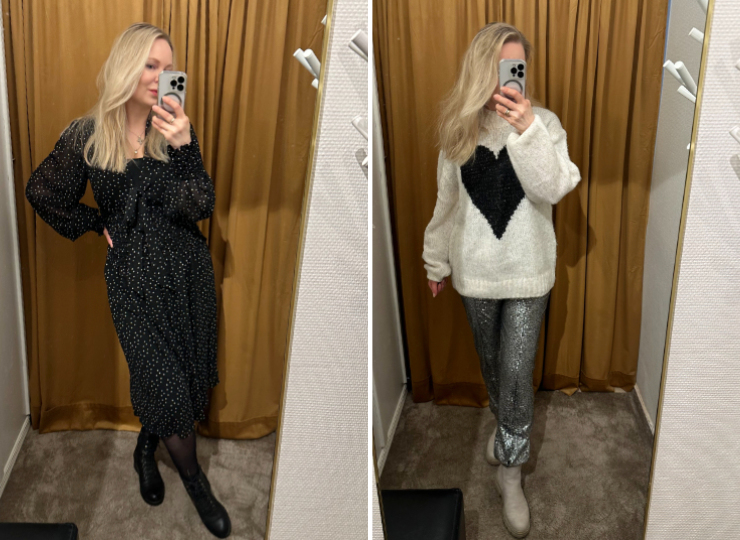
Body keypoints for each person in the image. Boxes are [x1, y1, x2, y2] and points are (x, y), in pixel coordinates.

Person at [25, 22, 230, 539]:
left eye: (168, 67)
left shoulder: (175, 130)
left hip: (186, 273)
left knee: (184, 378)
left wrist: (185, 145)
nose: (161, 76)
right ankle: (196, 481)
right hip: (133, 283)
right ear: (126, 66)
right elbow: (41, 191)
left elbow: (200, 205)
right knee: (164, 385)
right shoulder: (88, 134)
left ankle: (145, 447)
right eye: (150, 64)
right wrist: (96, 223)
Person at [422, 22, 581, 538]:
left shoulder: (544, 124)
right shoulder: (459, 129)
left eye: (516, 68)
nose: (508, 79)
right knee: (493, 368)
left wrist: (527, 130)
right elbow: (447, 204)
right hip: (476, 276)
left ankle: (510, 473)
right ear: (479, 70)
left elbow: (553, 187)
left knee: (515, 371)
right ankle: (507, 427)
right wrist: (435, 261)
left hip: (529, 275)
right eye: (499, 68)